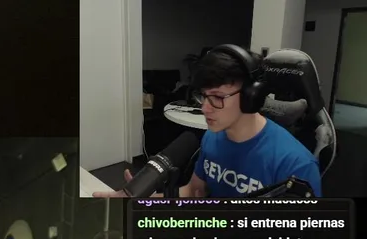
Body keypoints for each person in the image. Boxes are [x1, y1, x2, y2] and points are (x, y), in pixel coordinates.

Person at [94, 45, 321, 199]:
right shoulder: (213, 137)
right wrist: (143, 198)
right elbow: (194, 190)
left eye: (218, 97)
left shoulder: (296, 164)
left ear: (251, 97)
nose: (205, 108)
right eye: (203, 96)